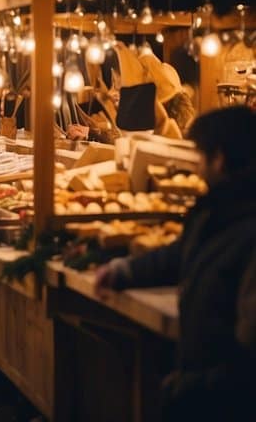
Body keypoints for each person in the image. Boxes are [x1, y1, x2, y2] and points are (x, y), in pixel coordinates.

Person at [94, 106, 256, 420]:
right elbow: (182, 253)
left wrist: (201, 387)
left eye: (199, 156)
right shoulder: (215, 211)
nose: (196, 167)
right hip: (199, 383)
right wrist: (123, 270)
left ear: (219, 159)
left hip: (224, 397)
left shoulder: (244, 221)